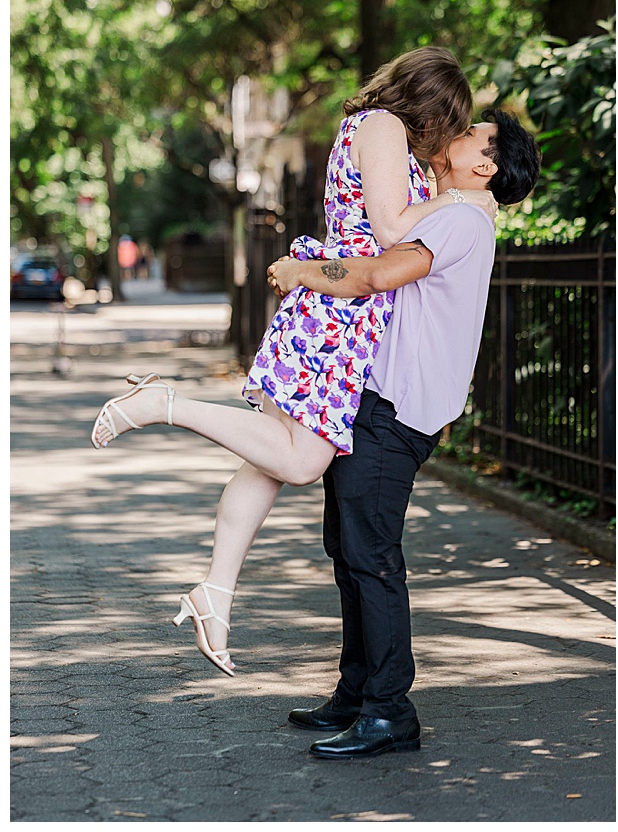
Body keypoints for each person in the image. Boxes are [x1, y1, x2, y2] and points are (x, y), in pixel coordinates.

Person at [88, 45, 493, 677]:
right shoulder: (384, 127)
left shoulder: (377, 130)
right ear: (432, 106)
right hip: (341, 314)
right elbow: (389, 231)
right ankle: (164, 403)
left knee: (267, 464)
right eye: (453, 121)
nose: (449, 137)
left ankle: (215, 595)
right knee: (302, 459)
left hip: (343, 316)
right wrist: (461, 202)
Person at [266, 108, 539, 760]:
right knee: (348, 544)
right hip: (376, 401)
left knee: (372, 554)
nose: (460, 128)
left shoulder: (461, 218)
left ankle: (391, 710)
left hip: (396, 410)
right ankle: (357, 689)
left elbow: (378, 274)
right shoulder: (445, 208)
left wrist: (301, 271)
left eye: (474, 132)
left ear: (485, 165)